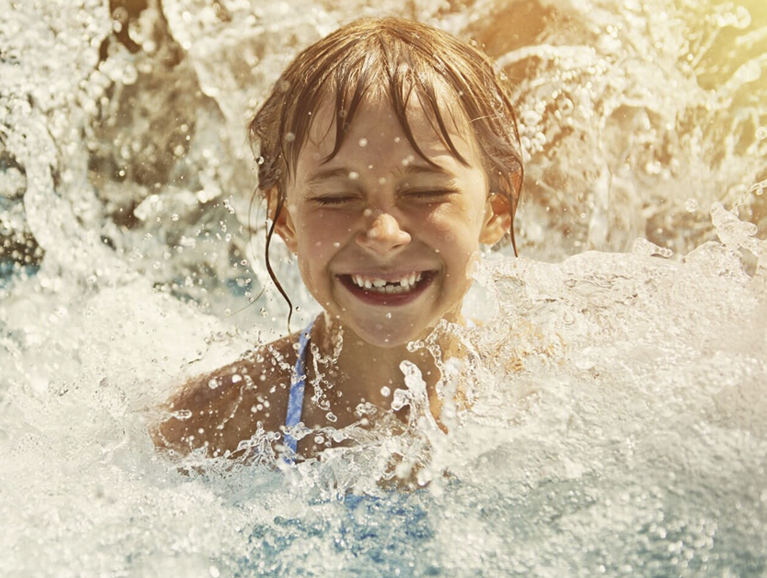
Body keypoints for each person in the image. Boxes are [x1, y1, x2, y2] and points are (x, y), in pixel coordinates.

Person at [154, 16, 523, 464]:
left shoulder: (544, 394)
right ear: (285, 219)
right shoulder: (214, 425)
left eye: (425, 192)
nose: (383, 235)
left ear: (496, 210)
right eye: (337, 197)